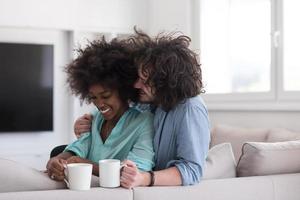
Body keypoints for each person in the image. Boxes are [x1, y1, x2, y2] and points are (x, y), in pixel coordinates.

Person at [74, 28, 210, 188]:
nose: (137, 84)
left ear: (166, 81)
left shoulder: (190, 109)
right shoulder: (147, 102)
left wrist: (145, 178)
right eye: (138, 78)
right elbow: (112, 117)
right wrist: (85, 126)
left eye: (145, 81)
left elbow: (192, 170)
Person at [46, 37, 155, 181]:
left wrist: (87, 164)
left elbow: (138, 172)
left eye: (106, 96)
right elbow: (77, 148)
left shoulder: (143, 122)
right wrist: (56, 160)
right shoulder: (95, 118)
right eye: (93, 97)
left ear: (123, 90)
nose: (99, 103)